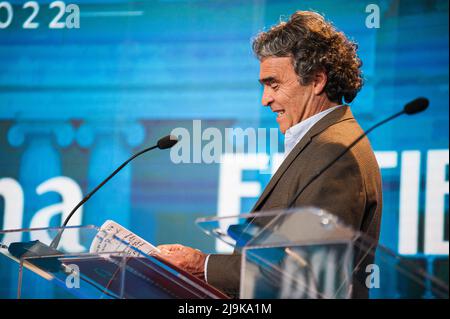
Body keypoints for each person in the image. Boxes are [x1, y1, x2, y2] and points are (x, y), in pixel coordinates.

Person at [157, 10, 382, 299]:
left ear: (316, 80)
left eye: (274, 84)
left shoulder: (335, 151)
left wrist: (202, 265)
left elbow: (308, 273)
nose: (265, 100)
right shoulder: (322, 142)